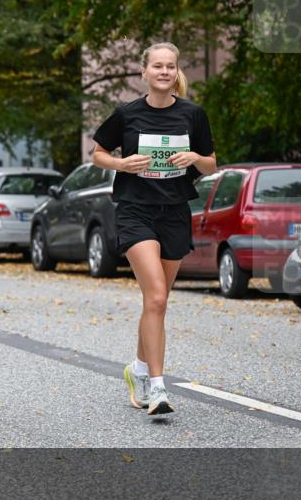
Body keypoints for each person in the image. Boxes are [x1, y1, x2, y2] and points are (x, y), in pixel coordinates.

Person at [92, 41, 217, 418]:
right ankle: (158, 389)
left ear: (176, 72)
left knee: (156, 303)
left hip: (175, 212)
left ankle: (139, 370)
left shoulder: (192, 114)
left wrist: (195, 157)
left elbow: (211, 164)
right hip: (135, 211)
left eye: (170, 66)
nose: (163, 72)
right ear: (144, 72)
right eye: (157, 66)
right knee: (158, 296)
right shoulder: (126, 114)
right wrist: (121, 164)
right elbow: (97, 152)